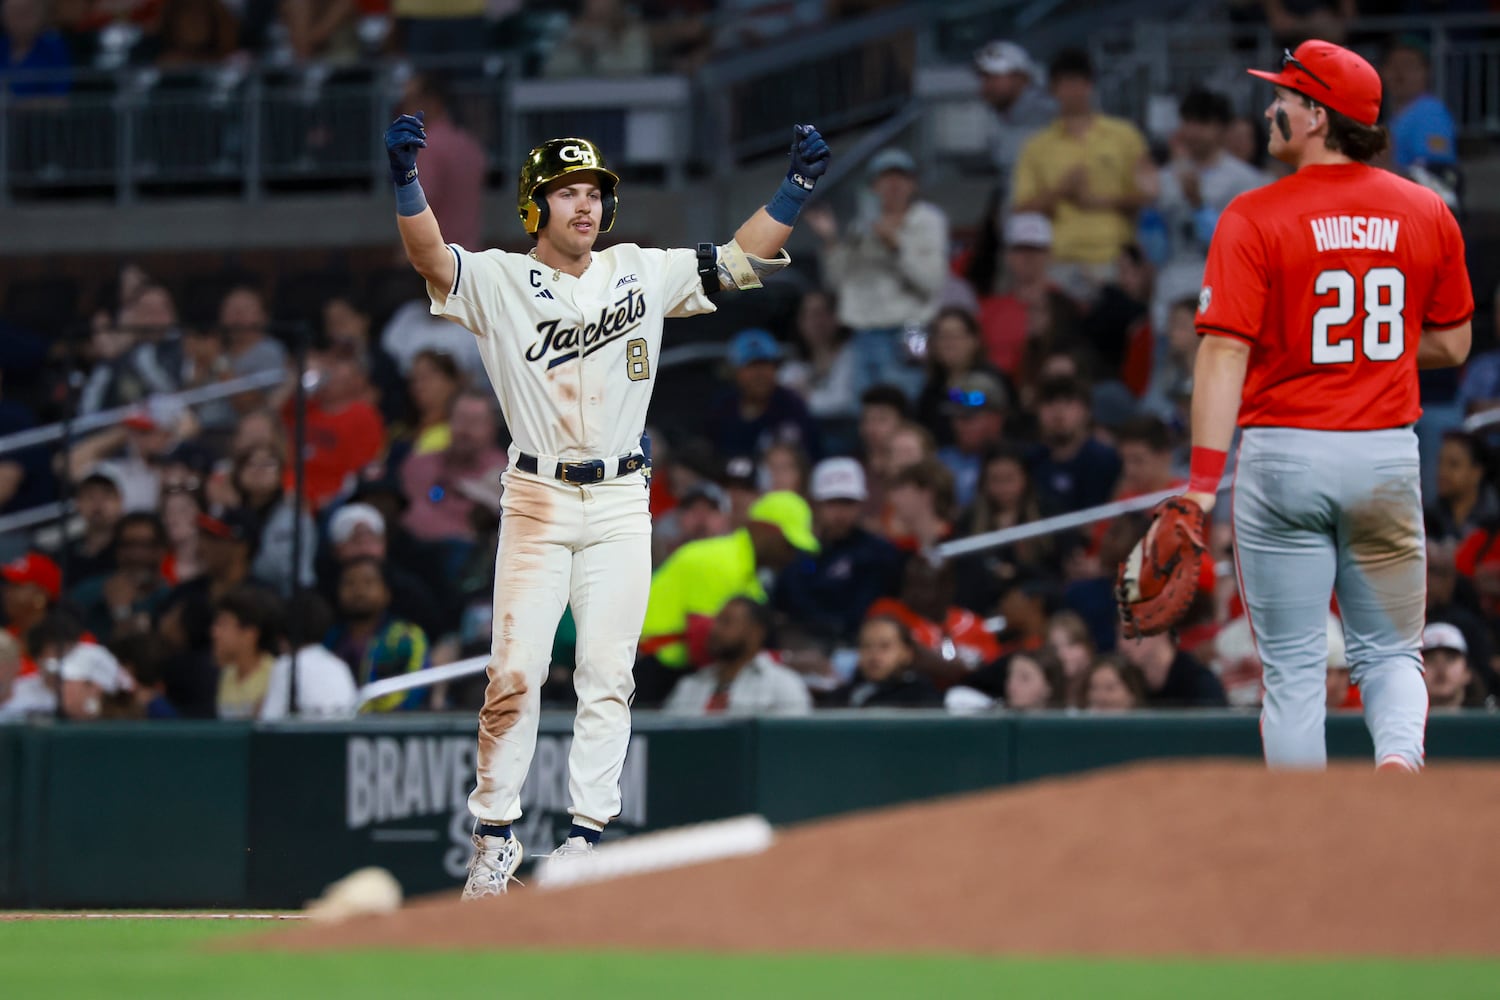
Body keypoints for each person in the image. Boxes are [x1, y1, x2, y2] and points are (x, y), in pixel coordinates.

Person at [385, 109, 830, 895]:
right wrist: (406, 184)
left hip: (623, 496)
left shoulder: (641, 269)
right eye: (567, 191)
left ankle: (585, 840)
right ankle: (494, 840)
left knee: (607, 673)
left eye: (593, 191)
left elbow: (738, 262)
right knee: (514, 671)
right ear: (535, 206)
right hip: (536, 493)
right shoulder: (498, 278)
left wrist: (793, 188)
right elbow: (430, 258)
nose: (585, 204)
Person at [1183, 41, 1474, 771]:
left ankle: (1304, 828)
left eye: (1284, 97)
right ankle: (1399, 768)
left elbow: (1222, 354)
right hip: (1383, 454)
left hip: (1285, 452)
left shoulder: (1253, 214)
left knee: (1293, 670)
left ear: (1318, 115)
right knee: (1391, 654)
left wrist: (1200, 487)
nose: (1269, 110)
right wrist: (1365, 355)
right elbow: (1453, 343)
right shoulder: (1426, 210)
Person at [1011, 48, 1157, 302]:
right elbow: (1021, 208)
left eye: (1078, 83)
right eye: (1064, 84)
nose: (1072, 92)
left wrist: (1100, 201)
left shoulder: (1125, 136)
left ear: (1090, 85)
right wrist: (1060, 191)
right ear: (1053, 90)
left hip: (1114, 257)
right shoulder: (1036, 147)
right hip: (1059, 260)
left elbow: (1149, 194)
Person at [804, 147, 949, 400]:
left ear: (913, 184)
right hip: (864, 333)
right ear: (873, 187)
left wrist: (896, 247)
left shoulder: (928, 221)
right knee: (864, 407)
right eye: (885, 178)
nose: (893, 185)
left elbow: (932, 282)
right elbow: (836, 282)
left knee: (909, 401)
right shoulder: (861, 226)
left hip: (913, 330)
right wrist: (830, 241)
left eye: (900, 177)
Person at [771, 457, 903, 645]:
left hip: (859, 647)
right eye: (832, 503)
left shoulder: (879, 553)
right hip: (802, 646)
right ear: (815, 504)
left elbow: (866, 612)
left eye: (847, 503)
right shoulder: (797, 554)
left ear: (860, 504)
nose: (840, 512)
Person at [662, 597, 811, 716]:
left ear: (755, 633)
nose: (714, 629)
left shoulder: (782, 685)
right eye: (716, 620)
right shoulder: (690, 686)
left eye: (726, 622)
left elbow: (793, 740)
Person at [707, 328, 823, 463]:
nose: (759, 374)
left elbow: (810, 459)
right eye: (751, 365)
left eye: (765, 364)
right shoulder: (723, 406)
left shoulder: (792, 405)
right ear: (735, 371)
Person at [972, 39, 1055, 201]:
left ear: (1021, 78)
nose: (985, 87)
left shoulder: (1051, 116)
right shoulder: (1002, 120)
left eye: (993, 77)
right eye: (982, 78)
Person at [1381, 38, 1457, 175]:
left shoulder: (1430, 113)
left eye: (1408, 66)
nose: (1399, 74)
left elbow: (1436, 172)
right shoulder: (1395, 118)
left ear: (1426, 72)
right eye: (1393, 66)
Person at [1421, 621, 1481, 710]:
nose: (1440, 667)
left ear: (1467, 671)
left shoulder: (1492, 715)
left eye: (1450, 659)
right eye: (1430, 659)